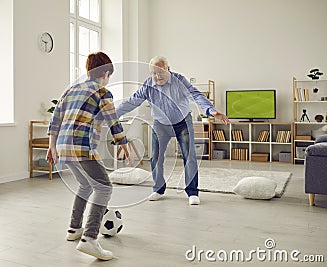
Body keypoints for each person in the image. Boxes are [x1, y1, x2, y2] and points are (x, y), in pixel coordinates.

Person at [47, 52, 133, 261]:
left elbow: (55, 119)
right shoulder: (102, 92)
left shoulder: (71, 90)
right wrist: (123, 143)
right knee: (104, 187)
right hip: (82, 146)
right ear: (105, 73)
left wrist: (52, 147)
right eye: (109, 75)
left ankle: (74, 228)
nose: (108, 79)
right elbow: (113, 121)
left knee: (85, 185)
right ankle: (90, 238)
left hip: (63, 146)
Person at [116, 56, 229, 205]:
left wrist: (211, 110)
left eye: (161, 72)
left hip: (182, 122)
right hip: (161, 124)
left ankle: (192, 192)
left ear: (168, 69)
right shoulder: (148, 85)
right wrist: (113, 114)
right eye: (154, 73)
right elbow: (132, 101)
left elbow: (195, 95)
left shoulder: (179, 81)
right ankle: (158, 189)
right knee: (155, 156)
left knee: (189, 157)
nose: (157, 76)